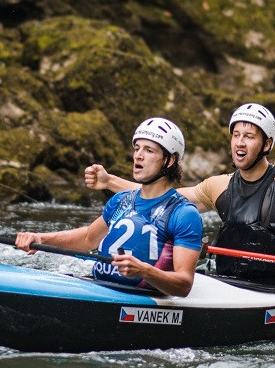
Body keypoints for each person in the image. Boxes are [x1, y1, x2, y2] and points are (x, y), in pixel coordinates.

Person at [84, 103, 275, 286]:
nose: (239, 143)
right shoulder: (218, 186)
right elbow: (161, 195)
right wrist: (110, 181)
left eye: (249, 136)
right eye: (236, 135)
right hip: (229, 281)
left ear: (266, 144)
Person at [15, 117, 203, 297]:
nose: (138, 155)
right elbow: (88, 238)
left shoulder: (184, 213)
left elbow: (184, 285)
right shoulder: (121, 199)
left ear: (169, 160)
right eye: (137, 148)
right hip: (98, 287)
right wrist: (41, 239)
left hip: (140, 299)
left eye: (149, 150)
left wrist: (144, 271)